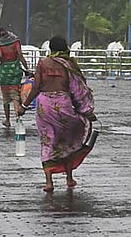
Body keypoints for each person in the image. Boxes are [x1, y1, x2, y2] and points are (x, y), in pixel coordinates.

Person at [19, 35, 97, 193]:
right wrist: (87, 111)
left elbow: (36, 87)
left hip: (44, 106)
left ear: (50, 49)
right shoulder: (69, 64)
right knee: (67, 141)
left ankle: (49, 183)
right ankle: (69, 178)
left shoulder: (43, 63)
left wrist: (23, 105)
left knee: (48, 141)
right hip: (63, 105)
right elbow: (78, 90)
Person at [0, 26, 29, 127]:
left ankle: (7, 120)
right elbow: (20, 55)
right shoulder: (15, 41)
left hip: (4, 71)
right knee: (15, 95)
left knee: (6, 97)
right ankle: (18, 118)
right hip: (15, 70)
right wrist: (27, 68)